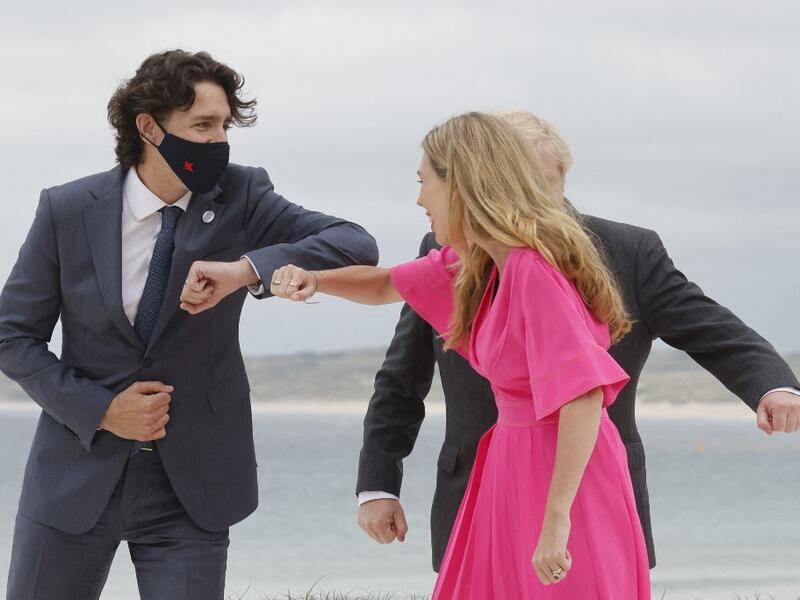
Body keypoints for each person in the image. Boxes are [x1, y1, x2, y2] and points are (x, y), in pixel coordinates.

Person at [189, 112, 653, 597]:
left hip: (563, 477)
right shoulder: (478, 260)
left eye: (423, 181)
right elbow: (390, 282)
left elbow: (583, 397)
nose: (418, 198)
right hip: (509, 465)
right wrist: (315, 278)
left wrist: (558, 519)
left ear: (462, 186)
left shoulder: (531, 271)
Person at [0, 49, 378, 600]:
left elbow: (355, 244)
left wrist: (246, 270)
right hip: (73, 476)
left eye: (225, 125)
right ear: (149, 128)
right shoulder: (67, 209)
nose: (218, 140)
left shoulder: (243, 196)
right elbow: (12, 336)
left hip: (191, 487)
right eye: (202, 126)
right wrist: (103, 410)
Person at [355, 111, 800, 572]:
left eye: (543, 179)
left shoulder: (628, 250)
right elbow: (401, 379)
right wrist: (378, 485)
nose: (527, 194)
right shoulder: (448, 248)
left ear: (563, 178)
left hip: (593, 501)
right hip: (478, 495)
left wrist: (773, 385)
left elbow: (710, 328)